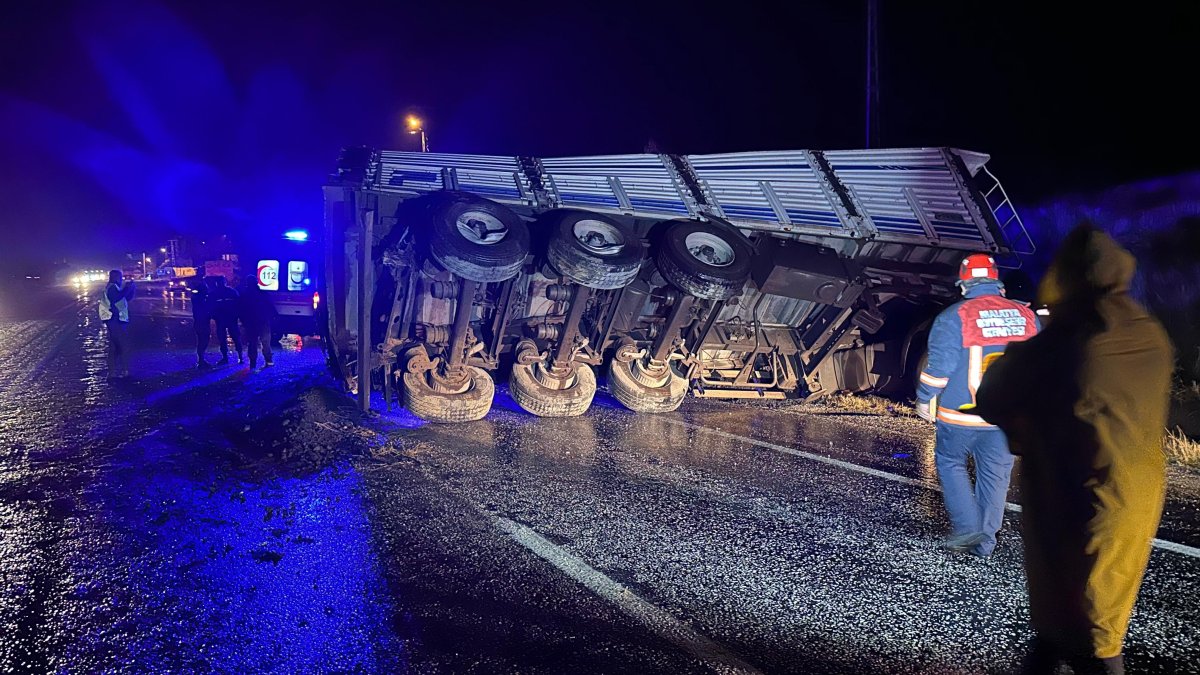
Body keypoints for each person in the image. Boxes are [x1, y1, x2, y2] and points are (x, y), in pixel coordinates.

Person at [974, 225, 1173, 674]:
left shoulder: (1065, 341)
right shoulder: (1149, 332)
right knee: (1091, 619)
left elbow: (994, 395)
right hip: (1135, 492)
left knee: (1089, 632)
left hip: (1073, 497)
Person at [914, 252, 1039, 557]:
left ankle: (968, 529)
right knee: (995, 477)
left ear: (964, 285)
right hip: (1007, 418)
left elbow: (938, 370)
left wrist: (923, 398)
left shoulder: (952, 318)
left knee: (950, 463)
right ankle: (984, 544)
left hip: (961, 415)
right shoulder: (1027, 318)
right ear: (999, 285)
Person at [99, 269, 136, 379]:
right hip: (115, 319)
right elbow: (117, 298)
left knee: (115, 346)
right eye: (120, 277)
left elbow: (126, 298)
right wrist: (127, 288)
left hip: (118, 320)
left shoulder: (116, 288)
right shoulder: (112, 288)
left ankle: (114, 372)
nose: (121, 280)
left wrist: (131, 289)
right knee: (122, 345)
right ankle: (123, 371)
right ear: (115, 277)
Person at [238, 276, 276, 370]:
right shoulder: (263, 293)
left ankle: (253, 364)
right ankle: (269, 361)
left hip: (250, 323)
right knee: (266, 342)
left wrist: (243, 321)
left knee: (252, 343)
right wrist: (272, 318)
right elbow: (271, 307)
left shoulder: (244, 294)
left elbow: (240, 310)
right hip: (263, 322)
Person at [209, 276, 242, 364]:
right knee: (234, 338)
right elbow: (239, 305)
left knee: (225, 339)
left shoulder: (214, 293)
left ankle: (227, 358)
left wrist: (214, 316)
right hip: (228, 319)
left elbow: (210, 307)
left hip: (223, 320)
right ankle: (239, 357)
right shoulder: (232, 292)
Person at [189, 277, 212, 368]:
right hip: (201, 322)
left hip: (200, 322)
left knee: (202, 341)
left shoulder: (196, 297)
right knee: (203, 340)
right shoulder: (200, 299)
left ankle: (201, 360)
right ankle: (201, 361)